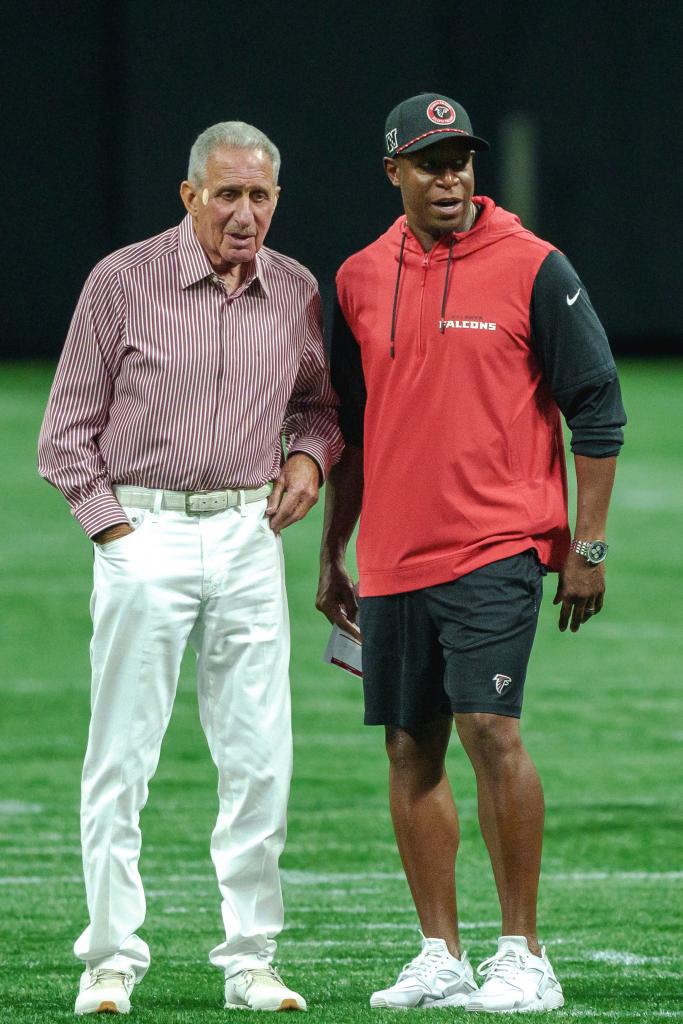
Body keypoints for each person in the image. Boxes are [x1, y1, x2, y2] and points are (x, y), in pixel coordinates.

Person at [317, 93, 625, 1014]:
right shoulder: (358, 278)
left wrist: (588, 543)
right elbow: (352, 428)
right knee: (409, 749)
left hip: (498, 543)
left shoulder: (536, 266)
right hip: (394, 557)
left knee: (490, 731)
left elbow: (597, 407)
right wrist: (334, 554)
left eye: (460, 160)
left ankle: (524, 954)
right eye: (429, 162)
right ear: (393, 174)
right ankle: (438, 955)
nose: (449, 176)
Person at [39, 120, 343, 1015]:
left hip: (250, 535)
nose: (244, 213)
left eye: (259, 196)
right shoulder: (121, 281)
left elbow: (318, 408)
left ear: (276, 199)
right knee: (121, 755)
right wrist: (115, 538)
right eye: (226, 194)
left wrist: (309, 460)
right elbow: (64, 436)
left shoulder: (295, 291)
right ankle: (108, 960)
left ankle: (250, 958)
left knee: (259, 757)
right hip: (146, 530)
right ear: (190, 197)